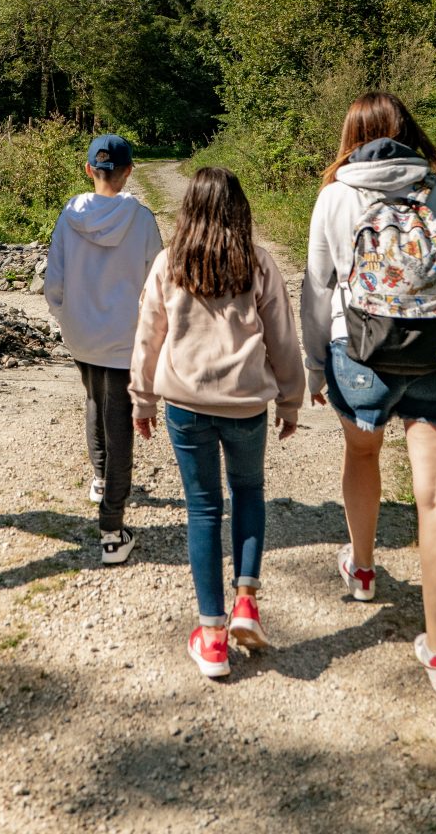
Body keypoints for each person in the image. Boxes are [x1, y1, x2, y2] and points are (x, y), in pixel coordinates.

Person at [300, 92, 436, 695]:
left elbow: (317, 290)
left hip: (359, 353)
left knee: (362, 455)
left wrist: (316, 366)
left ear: (352, 136)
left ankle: (363, 571)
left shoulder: (336, 194)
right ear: (407, 130)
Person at [130, 167, 304, 678]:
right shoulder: (258, 265)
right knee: (248, 491)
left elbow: (147, 338)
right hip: (246, 404)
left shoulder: (169, 264)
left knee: (204, 509)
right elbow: (283, 340)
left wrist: (142, 400)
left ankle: (211, 637)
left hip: (186, 404)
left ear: (189, 210)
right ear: (240, 211)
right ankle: (246, 601)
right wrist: (290, 400)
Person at [45, 134, 162, 565]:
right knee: (121, 423)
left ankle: (100, 477)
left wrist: (66, 315)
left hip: (81, 334)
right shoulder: (143, 220)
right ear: (129, 170)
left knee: (95, 398)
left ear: (89, 170)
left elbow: (52, 281)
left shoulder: (68, 216)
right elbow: (158, 281)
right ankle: (112, 530)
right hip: (125, 336)